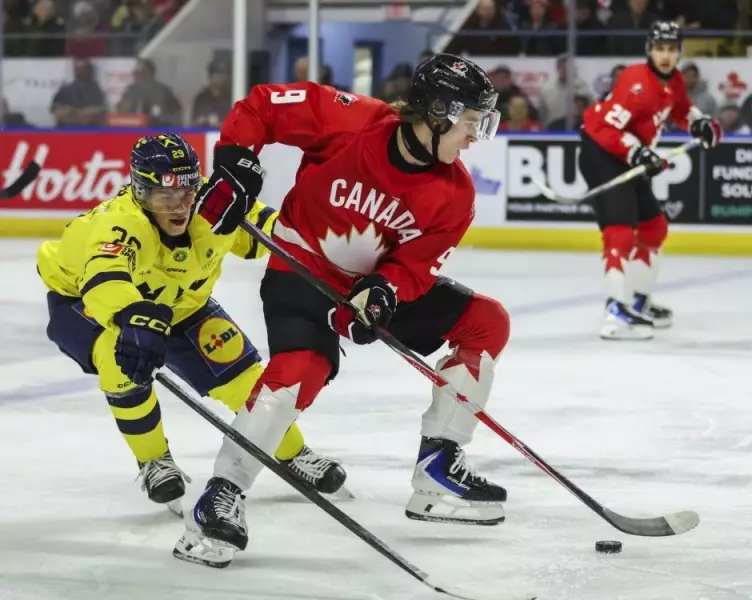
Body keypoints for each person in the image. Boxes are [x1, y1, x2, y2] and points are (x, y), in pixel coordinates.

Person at [175, 54, 511, 567]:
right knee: (295, 374)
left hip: (366, 289)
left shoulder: (455, 194)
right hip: (300, 274)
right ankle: (221, 494)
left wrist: (382, 292)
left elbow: (415, 266)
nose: (474, 138)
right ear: (438, 113)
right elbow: (262, 106)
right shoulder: (351, 119)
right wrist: (236, 160)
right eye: (470, 123)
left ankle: (437, 469)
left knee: (487, 321)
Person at [37, 133, 346, 515]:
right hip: (86, 303)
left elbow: (277, 231)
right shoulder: (116, 225)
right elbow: (105, 278)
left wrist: (332, 248)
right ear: (139, 191)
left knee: (247, 379)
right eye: (164, 196)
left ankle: (293, 453)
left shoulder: (212, 203)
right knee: (122, 364)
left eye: (186, 192)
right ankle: (154, 461)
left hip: (182, 303)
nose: (179, 206)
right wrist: (130, 316)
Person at [579, 21, 721, 340]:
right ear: (650, 50)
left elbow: (681, 109)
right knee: (620, 232)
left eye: (672, 49)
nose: (666, 55)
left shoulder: (674, 81)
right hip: (601, 153)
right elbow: (606, 130)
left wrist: (700, 124)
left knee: (654, 227)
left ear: (679, 51)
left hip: (629, 155)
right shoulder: (634, 81)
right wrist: (638, 152)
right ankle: (615, 311)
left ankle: (639, 301)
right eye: (660, 49)